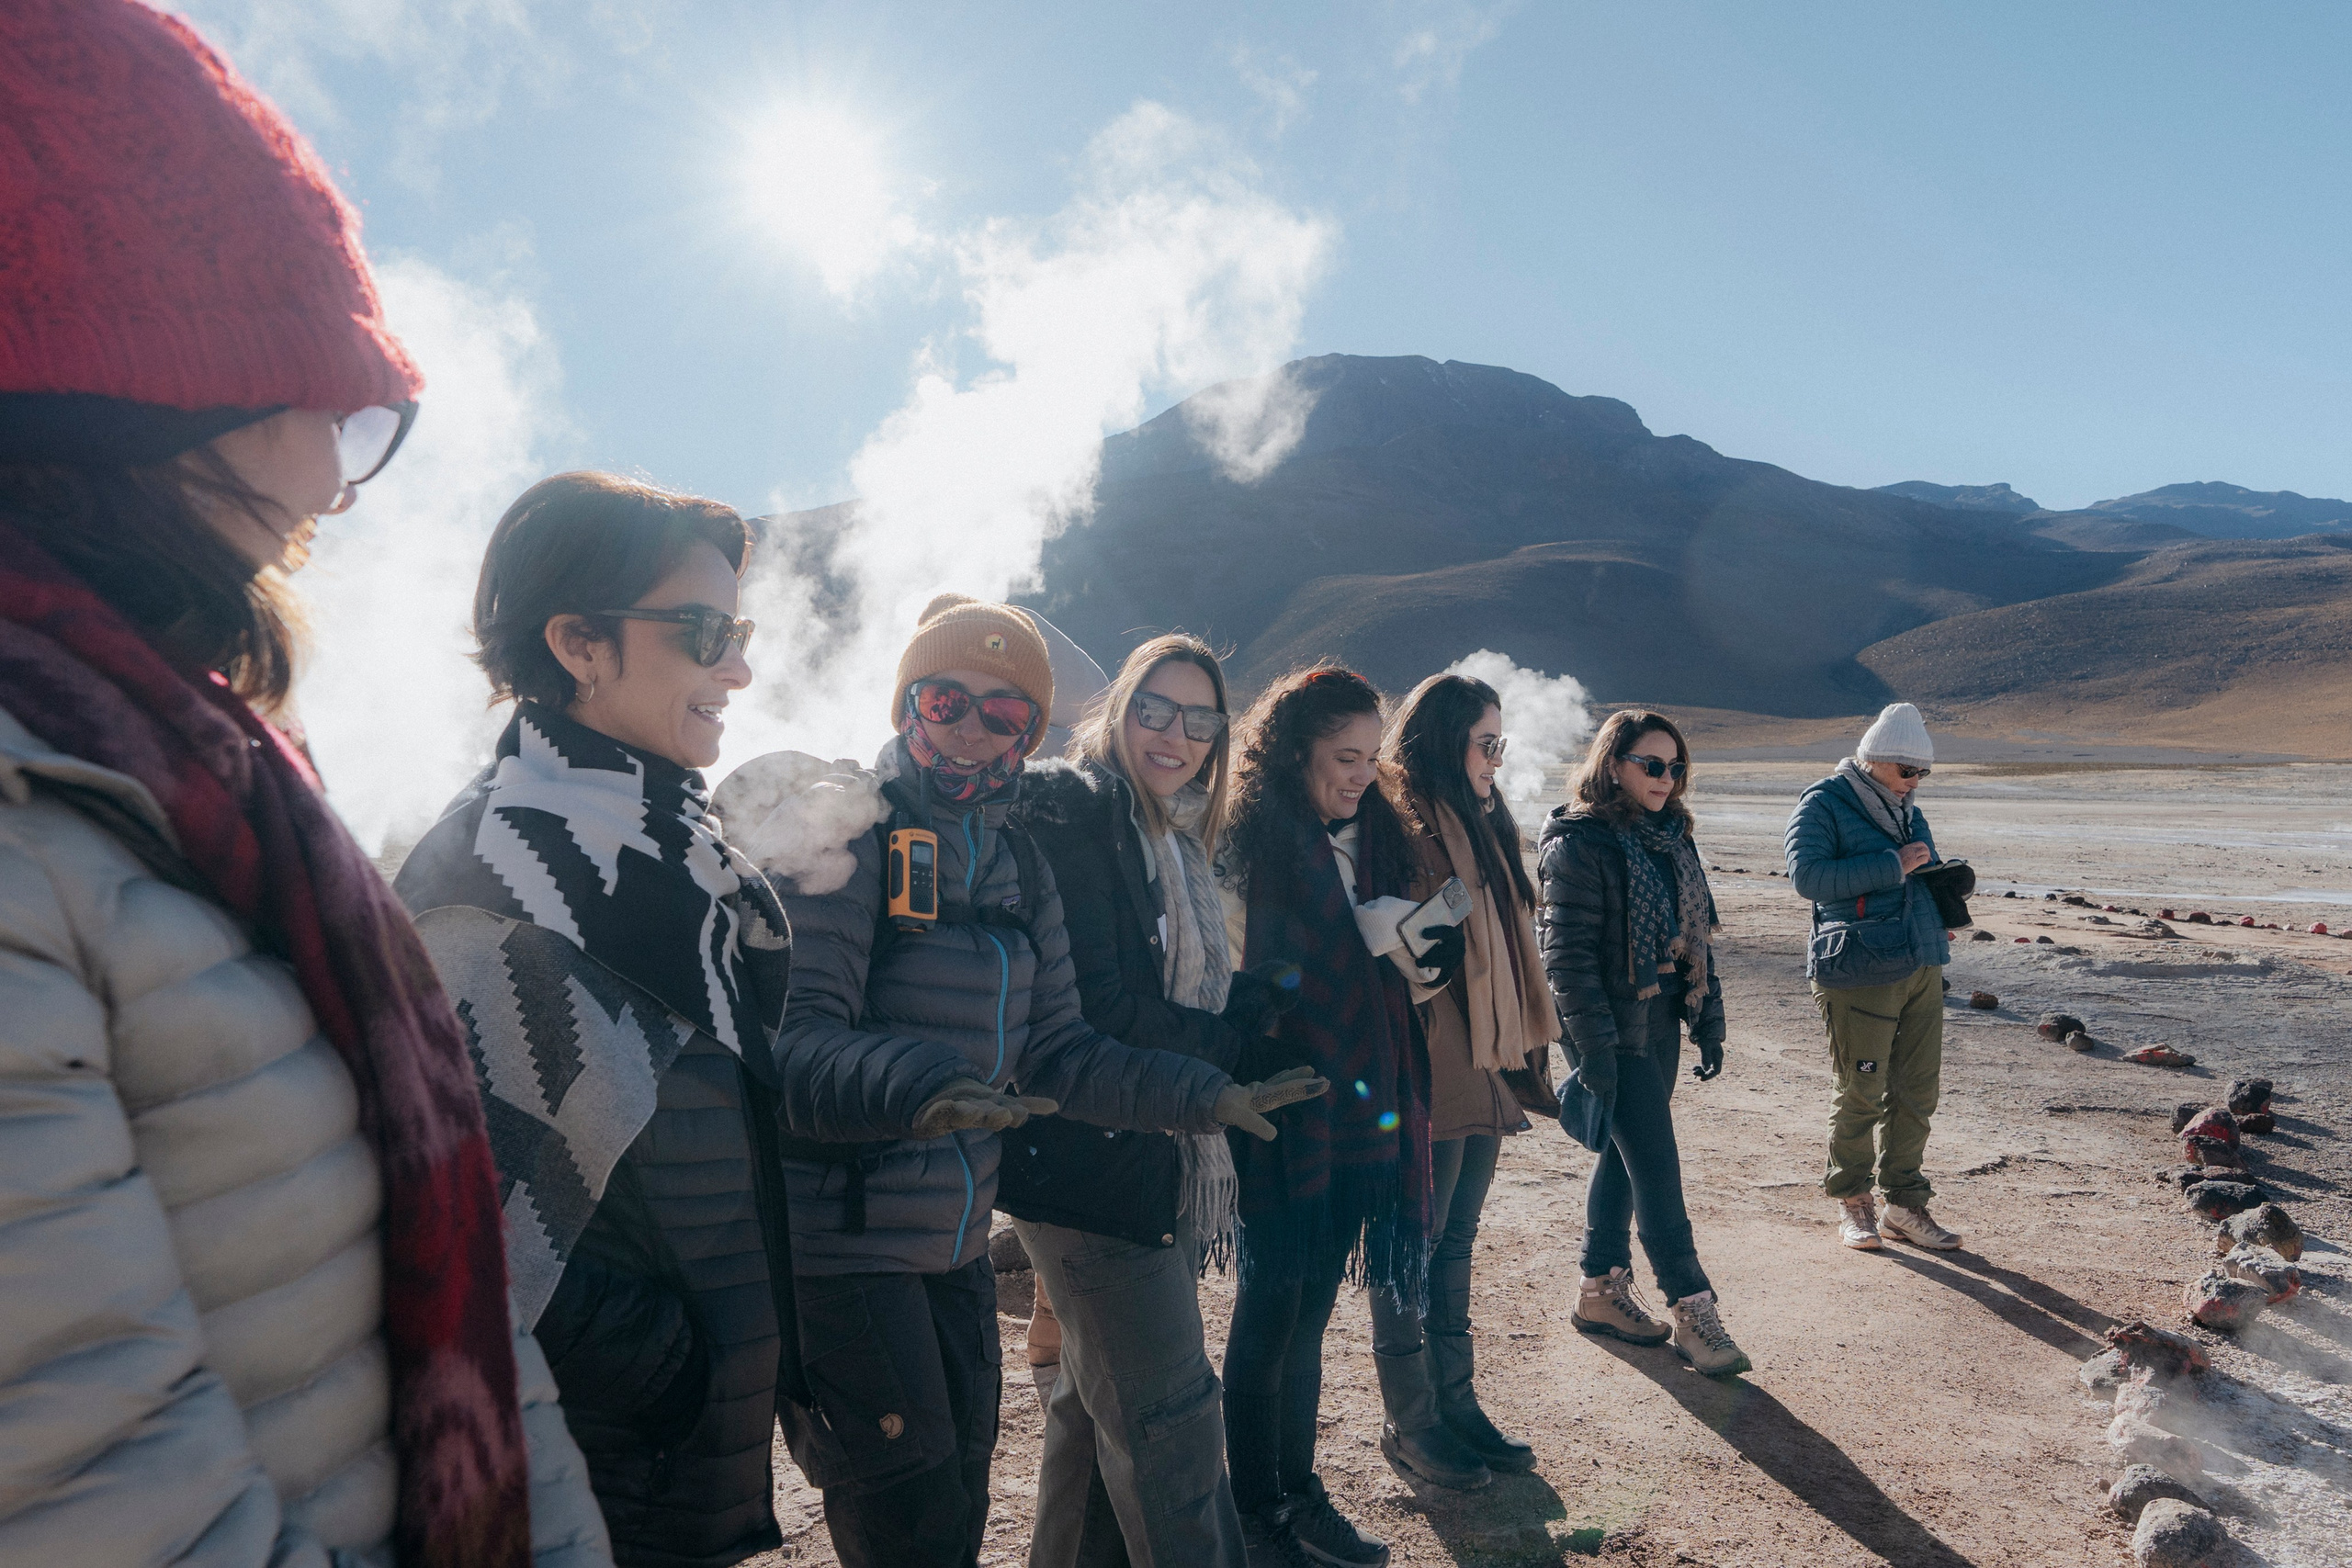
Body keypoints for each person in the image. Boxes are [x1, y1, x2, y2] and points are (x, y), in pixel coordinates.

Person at [0, 4, 605, 1563]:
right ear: (123, 397)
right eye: (316, 400)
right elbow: (97, 1485)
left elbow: (470, 1326)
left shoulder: (208, 771)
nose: (338, 478)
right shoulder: (49, 812)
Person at [756, 596, 1323, 1568]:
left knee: (959, 1504)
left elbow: (1061, 1051)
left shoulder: (1017, 857)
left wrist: (1202, 1095)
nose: (972, 729)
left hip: (953, 1244)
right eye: (946, 700)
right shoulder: (846, 831)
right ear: (907, 703)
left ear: (1030, 728)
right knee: (909, 1527)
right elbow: (792, 1044)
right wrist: (919, 1087)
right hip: (844, 1247)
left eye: (1005, 711)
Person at [394, 472, 805, 1567]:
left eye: (739, 632)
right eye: (706, 633)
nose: (739, 668)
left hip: (675, 1453)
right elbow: (448, 1236)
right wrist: (669, 1366)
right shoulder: (499, 881)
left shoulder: (677, 857)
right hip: (598, 1461)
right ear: (578, 642)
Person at [1002, 634, 1302, 1568]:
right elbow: (1106, 1010)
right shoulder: (1080, 817)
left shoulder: (1165, 832)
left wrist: (1250, 1004)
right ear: (1119, 708)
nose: (1177, 735)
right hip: (1089, 1167)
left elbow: (1161, 990)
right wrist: (1238, 1048)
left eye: (1200, 719)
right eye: (1155, 710)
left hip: (1137, 1153)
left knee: (1098, 1417)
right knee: (1172, 1427)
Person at [1218, 665, 1447, 1568]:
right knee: (1269, 1313)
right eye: (1343, 756)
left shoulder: (1374, 839)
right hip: (1280, 1112)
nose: (1361, 774)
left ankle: (1297, 1494)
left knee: (1309, 1316)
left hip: (1360, 1111)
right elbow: (1234, 981)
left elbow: (1402, 981)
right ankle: (1257, 1513)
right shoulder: (1249, 845)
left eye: (1370, 755)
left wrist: (1416, 950)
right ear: (1292, 750)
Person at [1369, 673, 1560, 1488]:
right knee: (1413, 1242)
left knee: (1455, 1239)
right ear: (1447, 741)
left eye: (1501, 744)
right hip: (1428, 1058)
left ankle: (1457, 1403)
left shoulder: (1483, 821)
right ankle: (1411, 1419)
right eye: (1487, 743)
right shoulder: (1398, 818)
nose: (1497, 759)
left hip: (1486, 1056)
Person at [1537, 710, 1751, 1378]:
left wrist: (1708, 1020)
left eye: (1676, 767)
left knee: (1626, 1157)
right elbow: (1566, 958)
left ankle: (1599, 1291)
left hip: (1658, 1022)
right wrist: (1594, 1050)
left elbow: (1698, 940)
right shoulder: (1579, 842)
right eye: (1652, 765)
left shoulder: (1673, 839)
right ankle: (1692, 1308)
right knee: (1657, 1165)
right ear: (1612, 764)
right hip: (1607, 1028)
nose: (1666, 778)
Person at [1784, 702, 1963, 1253]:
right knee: (1861, 1089)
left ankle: (1904, 1205)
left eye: (1923, 773)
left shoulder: (1906, 809)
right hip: (1857, 968)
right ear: (1876, 760)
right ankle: (1853, 1200)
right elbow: (1807, 876)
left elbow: (1922, 868)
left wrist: (1945, 894)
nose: (1915, 782)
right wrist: (1894, 865)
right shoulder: (1824, 803)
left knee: (1917, 1091)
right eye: (1908, 771)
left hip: (1920, 960)